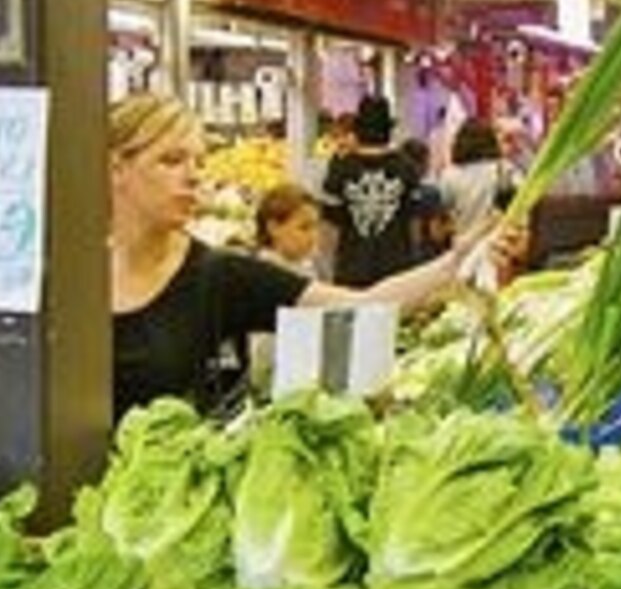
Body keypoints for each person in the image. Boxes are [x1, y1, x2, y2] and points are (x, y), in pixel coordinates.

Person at [112, 92, 509, 417]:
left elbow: (362, 307)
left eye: (198, 161)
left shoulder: (217, 275)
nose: (194, 175)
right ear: (117, 168)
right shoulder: (60, 279)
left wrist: (456, 261)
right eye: (171, 160)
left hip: (165, 505)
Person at [320, 94, 431, 286]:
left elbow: (330, 229)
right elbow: (415, 225)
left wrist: (328, 271)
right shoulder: (406, 167)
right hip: (397, 271)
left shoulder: (340, 167)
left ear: (358, 130)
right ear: (389, 130)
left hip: (351, 271)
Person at [435, 117, 516, 243]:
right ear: (491, 140)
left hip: (462, 244)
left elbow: (441, 217)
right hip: (496, 245)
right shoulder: (505, 169)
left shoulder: (449, 175)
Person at [252, 182, 323, 275]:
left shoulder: (306, 266)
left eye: (315, 227)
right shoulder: (262, 273)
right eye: (304, 228)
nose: (313, 236)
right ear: (273, 228)